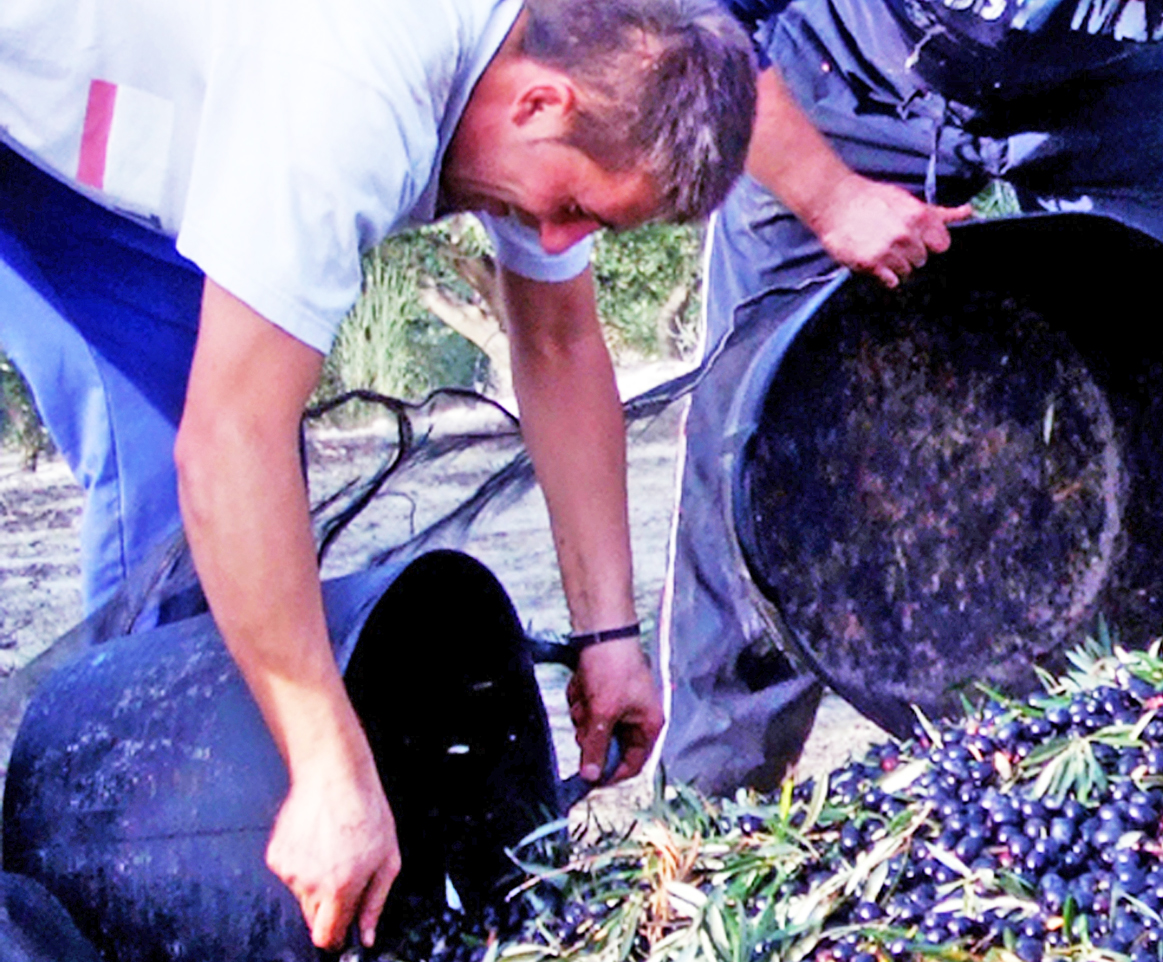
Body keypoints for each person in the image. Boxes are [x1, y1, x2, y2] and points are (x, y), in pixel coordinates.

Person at [0, 0, 754, 949]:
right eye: (571, 210)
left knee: (184, 510)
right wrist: (326, 766)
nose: (558, 242)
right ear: (538, 106)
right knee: (219, 461)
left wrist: (610, 635)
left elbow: (560, 343)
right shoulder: (349, 90)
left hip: (101, 95)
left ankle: (147, 867)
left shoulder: (548, 59)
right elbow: (230, 443)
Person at [657, 0, 1163, 796]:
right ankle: (710, 808)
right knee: (750, 416)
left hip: (1111, 88)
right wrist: (830, 198)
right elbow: (692, 16)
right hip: (843, 68)